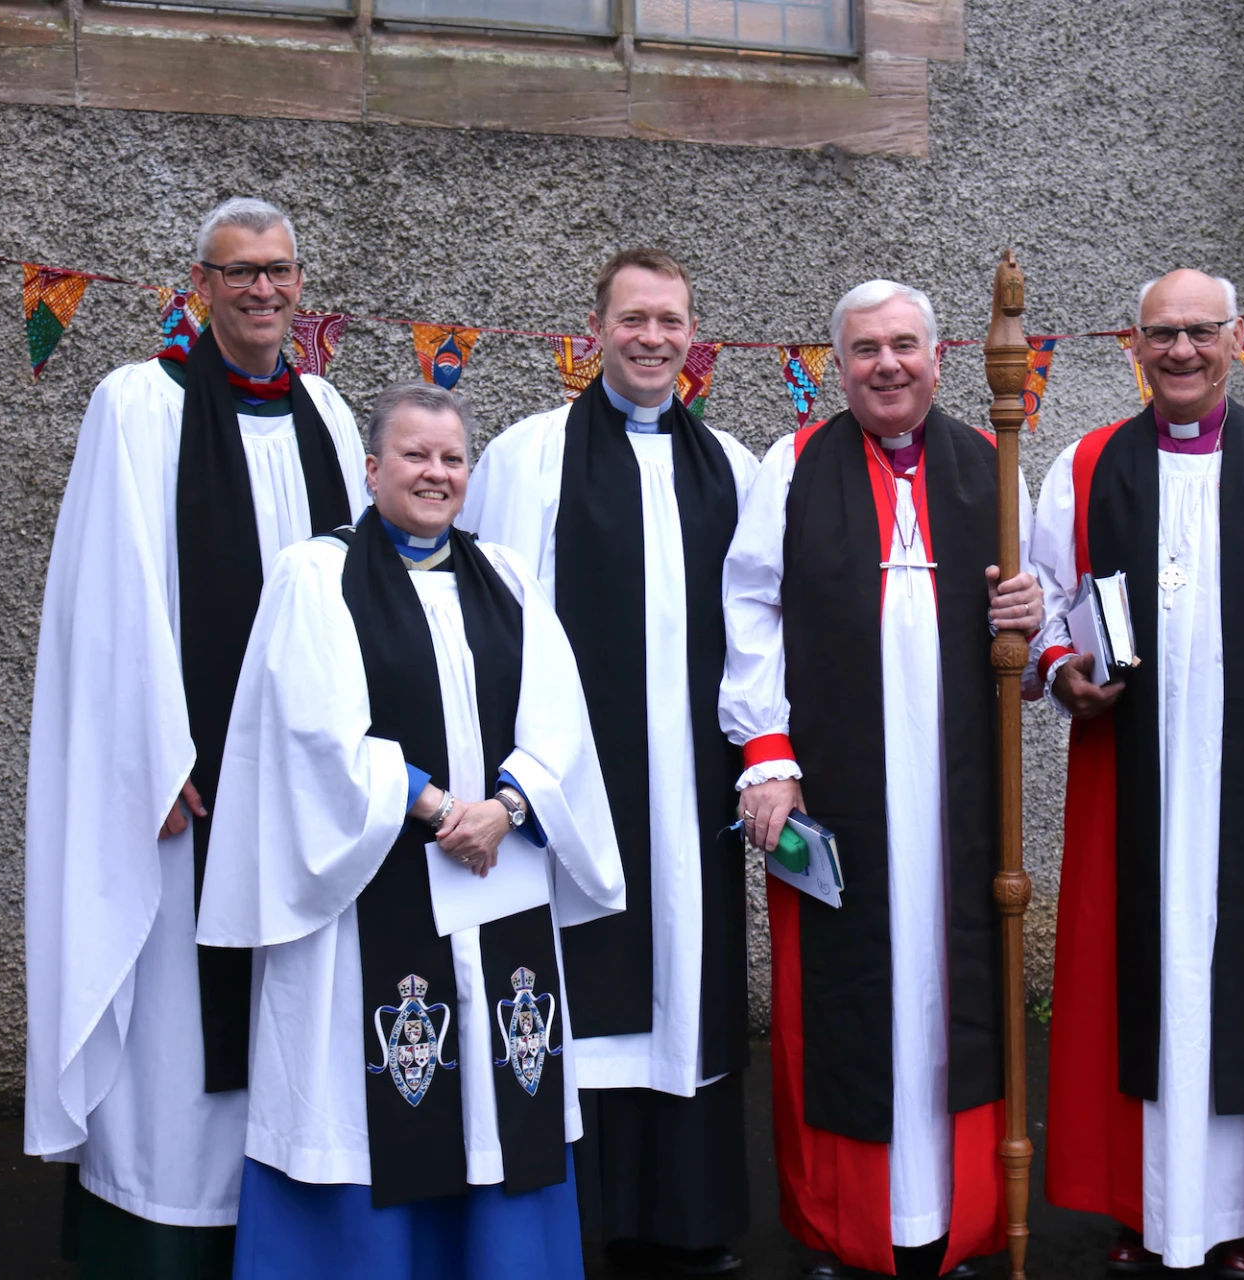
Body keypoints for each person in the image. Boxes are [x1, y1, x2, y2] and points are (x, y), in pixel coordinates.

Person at [195, 382, 626, 1279]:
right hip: (370, 893)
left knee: (498, 1083)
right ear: (373, 467)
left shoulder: (504, 577)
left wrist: (505, 808)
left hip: (492, 875)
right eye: (415, 455)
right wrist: (436, 808)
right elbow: (312, 732)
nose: (436, 473)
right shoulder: (316, 574)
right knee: (373, 1086)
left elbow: (562, 722)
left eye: (451, 458)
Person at [23, 197, 367, 1276]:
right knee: (179, 1010)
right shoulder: (139, 403)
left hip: (303, 783)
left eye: (279, 270)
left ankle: (289, 1231)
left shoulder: (330, 413)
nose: (262, 289)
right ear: (199, 284)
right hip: (191, 781)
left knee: (298, 998)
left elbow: (360, 596)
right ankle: (161, 1231)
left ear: (300, 283)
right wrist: (153, 757)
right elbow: (108, 598)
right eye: (238, 273)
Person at [1030, 270, 1244, 1278]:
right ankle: (1148, 1213)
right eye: (1161, 334)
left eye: (1201, 332)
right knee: (1140, 983)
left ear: (1238, 340)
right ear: (1133, 345)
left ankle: (1241, 1216)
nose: (1181, 351)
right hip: (1130, 774)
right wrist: (1063, 670)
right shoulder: (1088, 464)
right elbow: (1047, 598)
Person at [720, 279, 1042, 1280]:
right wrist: (767, 757)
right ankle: (841, 1227)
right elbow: (750, 611)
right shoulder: (794, 466)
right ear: (838, 365)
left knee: (961, 991)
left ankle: (965, 1217)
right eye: (865, 349)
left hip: (958, 798)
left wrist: (1029, 618)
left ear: (939, 357)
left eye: (905, 344)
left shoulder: (990, 462)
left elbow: (1031, 633)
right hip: (836, 786)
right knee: (840, 996)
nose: (888, 364)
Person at [461, 248, 758, 1277]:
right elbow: (481, 622)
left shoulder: (733, 463)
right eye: (633, 318)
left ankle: (680, 1219)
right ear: (594, 328)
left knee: (687, 979)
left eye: (670, 320)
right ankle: (572, 1220)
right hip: (569, 786)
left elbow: (762, 622)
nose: (652, 338)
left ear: (692, 335)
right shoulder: (526, 456)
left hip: (694, 783)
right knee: (576, 982)